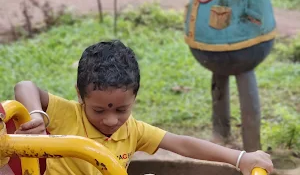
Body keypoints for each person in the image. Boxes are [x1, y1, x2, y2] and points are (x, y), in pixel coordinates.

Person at [14, 40, 273, 175]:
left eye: (121, 110)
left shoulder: (133, 131)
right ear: (80, 96)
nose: (112, 120)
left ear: (135, 97)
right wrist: (37, 114)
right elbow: (25, 85)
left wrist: (240, 158)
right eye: (99, 110)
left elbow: (182, 144)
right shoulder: (67, 113)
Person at [184, 0, 276, 151]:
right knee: (219, 78)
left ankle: (252, 145)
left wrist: (255, 15)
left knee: (244, 79)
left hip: (246, 41)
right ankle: (220, 133)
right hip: (208, 42)